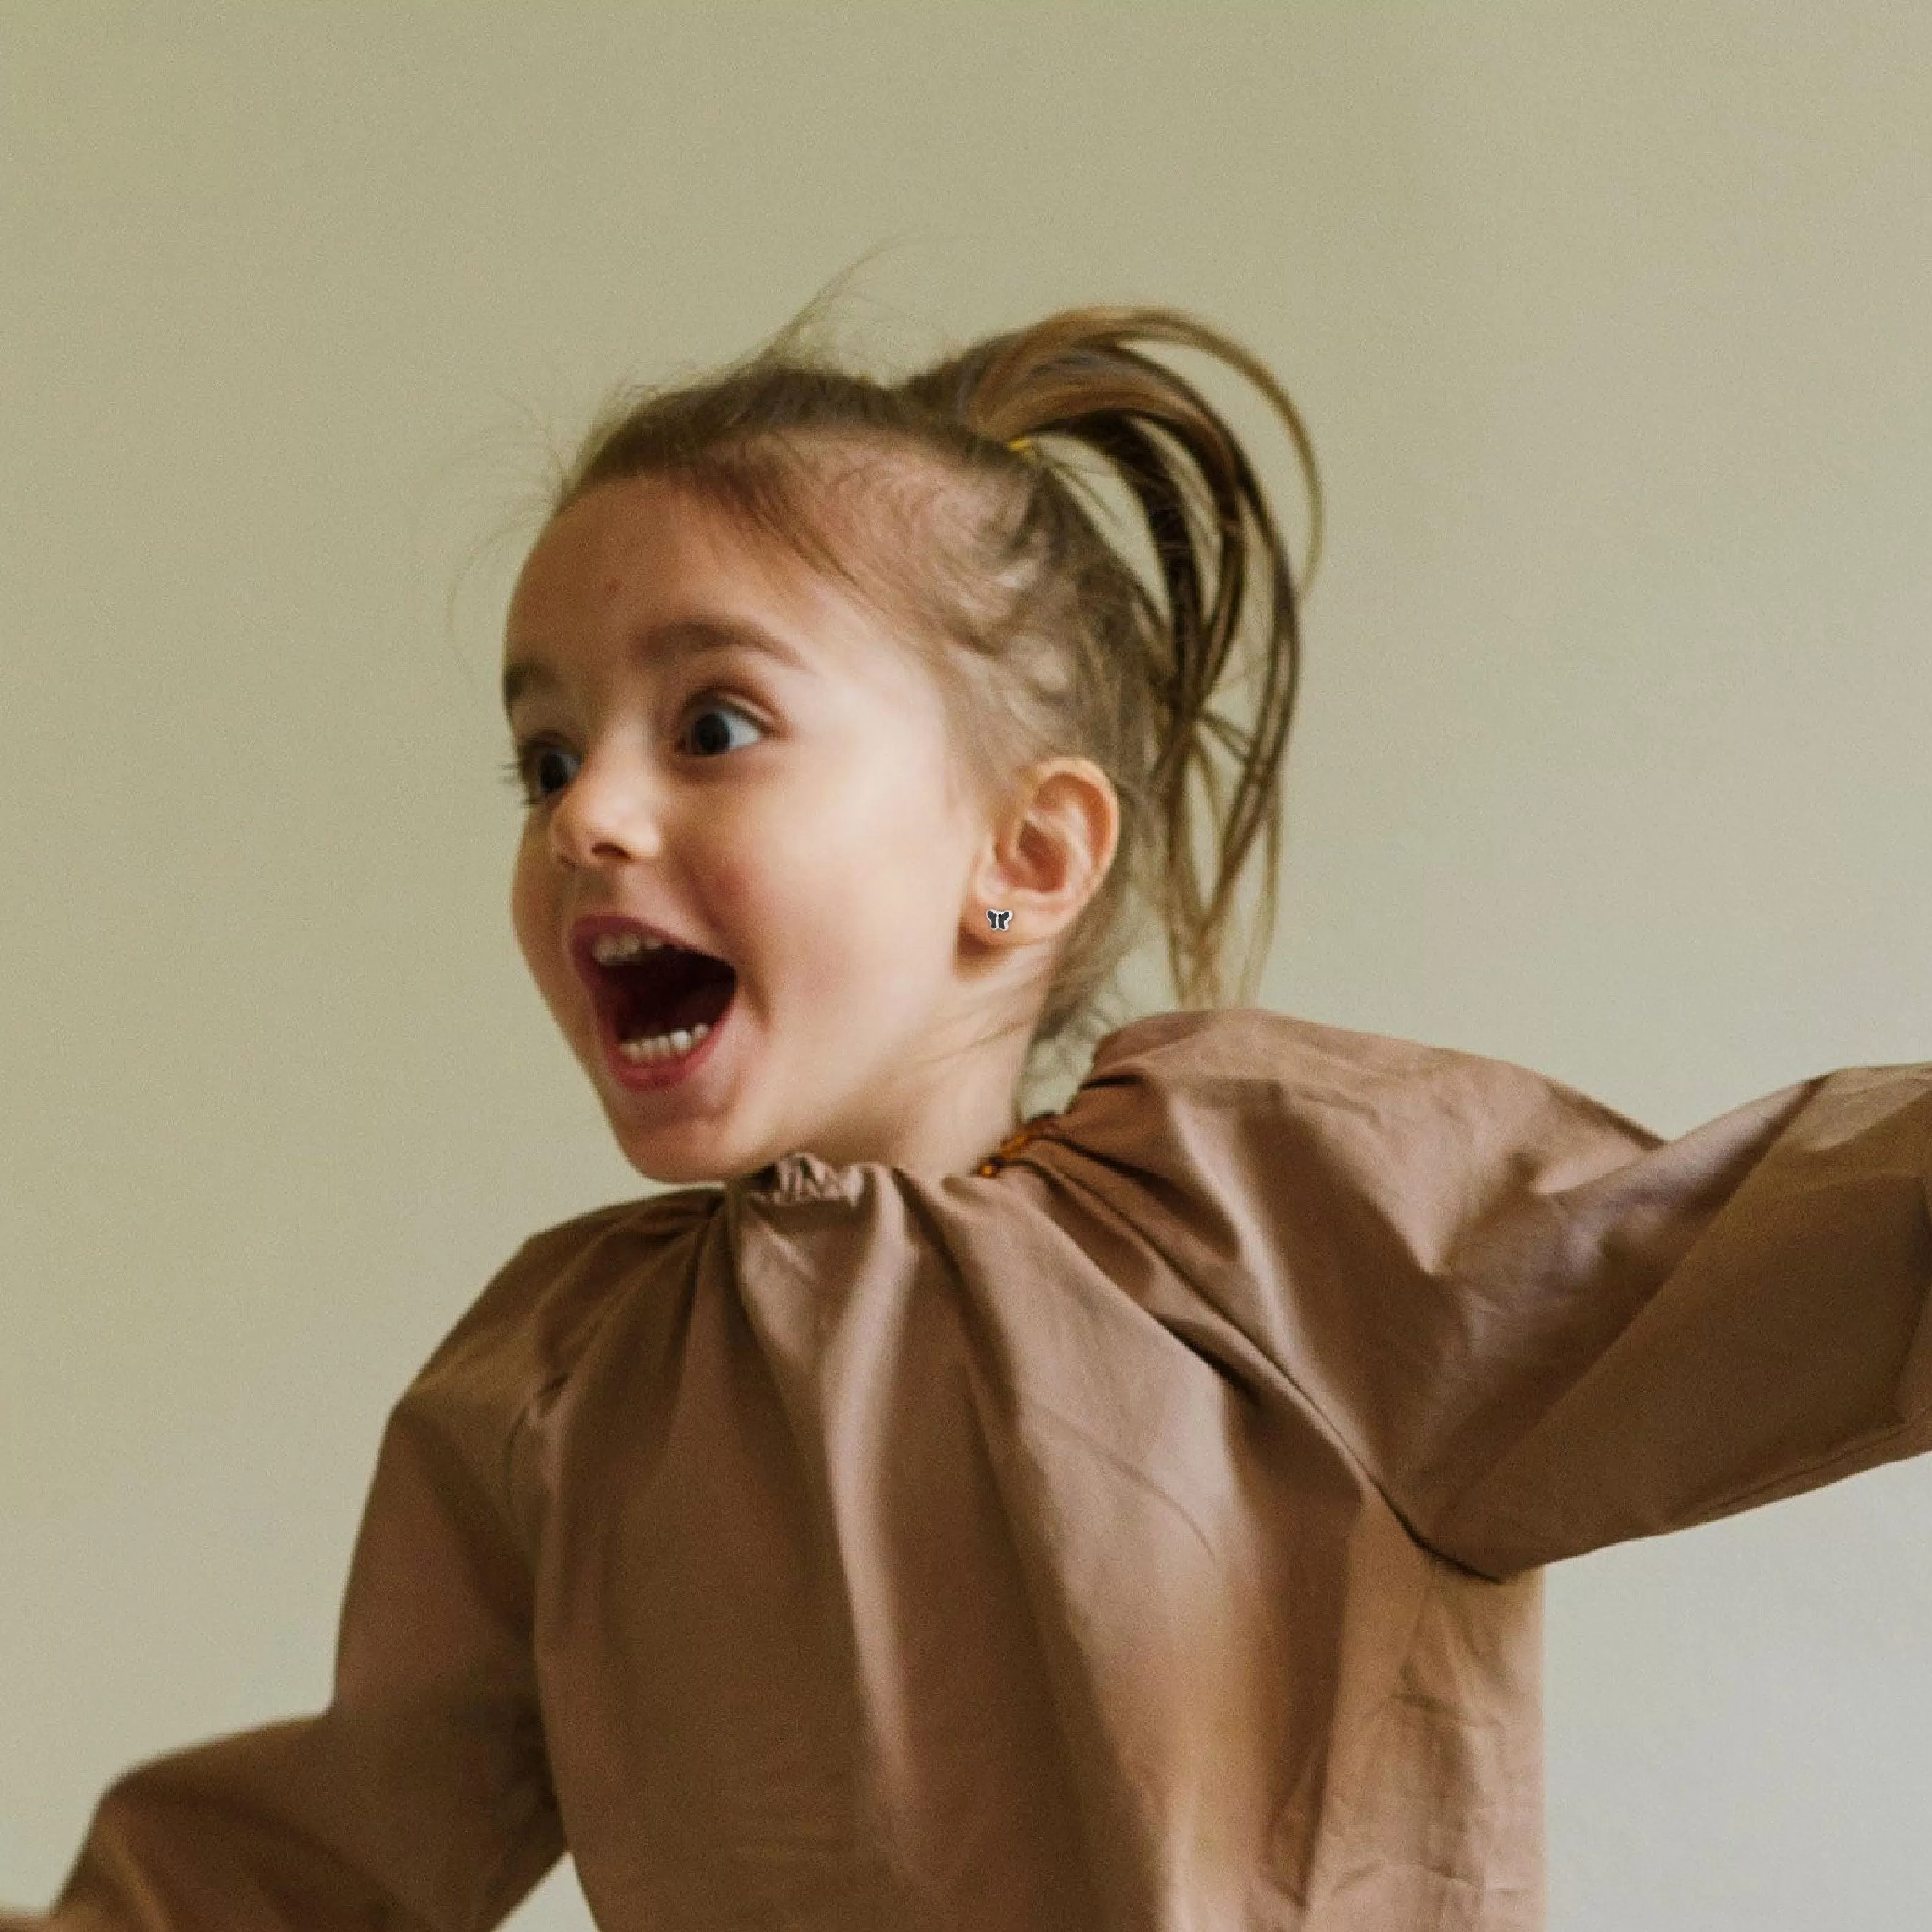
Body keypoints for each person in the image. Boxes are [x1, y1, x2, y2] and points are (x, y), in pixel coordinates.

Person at [6, 281, 1929, 1932]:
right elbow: (316, 1859)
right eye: (541, 752)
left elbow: (1767, 1257)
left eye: (713, 724)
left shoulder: (1274, 1216)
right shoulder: (558, 1385)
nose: (587, 811)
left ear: (1022, 847)